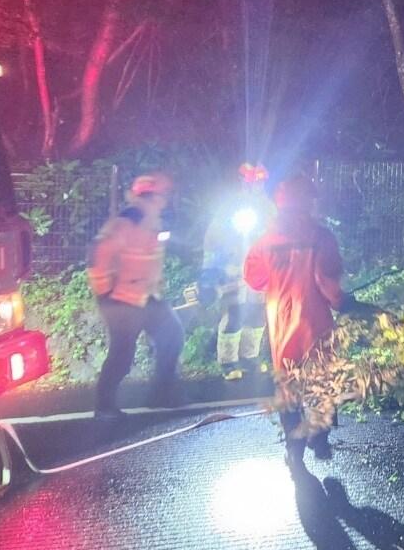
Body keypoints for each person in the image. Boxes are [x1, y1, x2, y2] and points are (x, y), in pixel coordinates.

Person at [243, 175, 344, 471]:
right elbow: (327, 282)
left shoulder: (266, 239)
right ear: (308, 201)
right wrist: (342, 302)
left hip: (281, 325)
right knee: (322, 380)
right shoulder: (320, 237)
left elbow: (254, 278)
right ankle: (320, 439)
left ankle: (294, 449)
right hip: (315, 323)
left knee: (288, 385)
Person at [88, 173, 185, 421]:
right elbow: (99, 255)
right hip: (122, 299)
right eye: (163, 194)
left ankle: (161, 394)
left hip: (144, 297)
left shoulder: (150, 220)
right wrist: (105, 294)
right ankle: (104, 407)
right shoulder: (130, 221)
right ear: (152, 196)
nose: (166, 199)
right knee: (123, 353)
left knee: (172, 334)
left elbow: (148, 258)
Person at [201, 166, 273, 381]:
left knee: (258, 312)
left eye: (259, 182)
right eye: (251, 182)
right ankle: (228, 361)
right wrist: (210, 271)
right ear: (242, 181)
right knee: (235, 312)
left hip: (260, 270)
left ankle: (250, 357)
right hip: (234, 269)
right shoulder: (229, 206)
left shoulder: (268, 206)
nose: (255, 186)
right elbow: (213, 238)